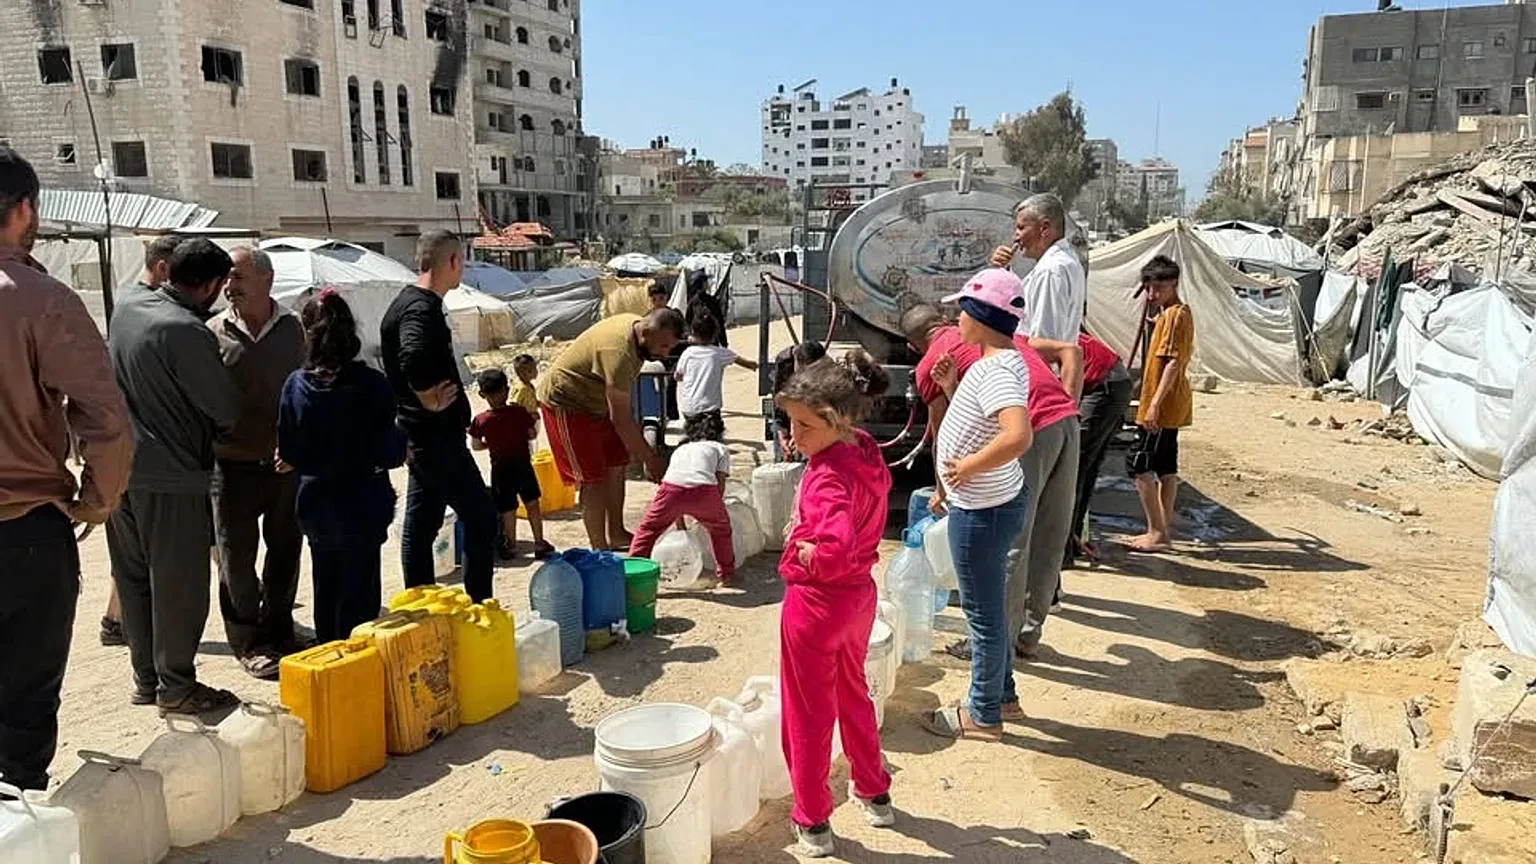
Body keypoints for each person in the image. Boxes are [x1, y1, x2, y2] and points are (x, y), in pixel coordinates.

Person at [0, 146, 133, 791]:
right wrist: (97, 500)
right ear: (25, 210)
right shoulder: (40, 299)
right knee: (22, 709)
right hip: (24, 532)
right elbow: (105, 419)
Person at [107, 237, 241, 716]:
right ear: (210, 285)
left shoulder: (127, 306)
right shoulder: (185, 331)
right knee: (178, 587)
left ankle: (147, 680)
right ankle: (178, 687)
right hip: (172, 476)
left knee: (135, 580)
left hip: (120, 470)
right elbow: (224, 409)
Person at [903, 300, 1081, 660]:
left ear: (912, 345)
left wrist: (943, 489)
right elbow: (1071, 351)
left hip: (1027, 430)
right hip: (1066, 421)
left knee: (1010, 540)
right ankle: (1027, 634)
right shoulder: (996, 336)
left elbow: (943, 432)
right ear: (943, 320)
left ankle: (993, 644)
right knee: (1050, 534)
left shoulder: (931, 362)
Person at [775, 350, 895, 857]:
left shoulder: (824, 473)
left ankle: (813, 821)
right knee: (853, 692)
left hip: (817, 604)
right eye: (790, 422)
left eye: (805, 425)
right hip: (858, 599)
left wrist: (807, 551)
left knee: (807, 714)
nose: (794, 435)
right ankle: (874, 791)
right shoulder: (864, 448)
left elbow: (835, 545)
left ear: (838, 419)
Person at [914, 270, 1034, 742]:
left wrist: (967, 467)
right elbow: (981, 419)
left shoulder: (997, 369)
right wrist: (950, 389)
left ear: (981, 318)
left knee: (982, 617)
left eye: (962, 311)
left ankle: (983, 715)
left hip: (983, 511)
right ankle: (1003, 696)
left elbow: (1017, 435)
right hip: (990, 502)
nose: (955, 320)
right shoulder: (998, 361)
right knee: (990, 609)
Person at [279, 291, 408, 642]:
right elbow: (390, 453)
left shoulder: (295, 387)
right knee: (361, 599)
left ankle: (331, 657)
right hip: (364, 505)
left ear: (307, 333)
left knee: (327, 591)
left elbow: (289, 451)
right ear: (352, 331)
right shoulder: (373, 385)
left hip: (317, 506)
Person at [381, 230, 500, 602]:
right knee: (481, 518)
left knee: (423, 524)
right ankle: (479, 605)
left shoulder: (410, 302)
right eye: (461, 260)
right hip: (434, 437)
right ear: (452, 261)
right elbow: (412, 356)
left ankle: (419, 603)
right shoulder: (420, 308)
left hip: (425, 435)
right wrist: (428, 397)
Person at [208, 247, 307, 679]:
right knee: (236, 559)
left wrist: (299, 444)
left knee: (285, 551)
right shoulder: (213, 332)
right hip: (231, 466)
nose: (229, 286)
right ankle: (248, 642)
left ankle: (281, 630)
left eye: (238, 277)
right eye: (227, 279)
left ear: (267, 280)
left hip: (286, 465)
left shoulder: (294, 329)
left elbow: (310, 389)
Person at [537, 307, 685, 550]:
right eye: (663, 346)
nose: (665, 353)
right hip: (567, 402)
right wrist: (650, 459)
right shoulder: (619, 353)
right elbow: (622, 419)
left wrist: (644, 453)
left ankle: (616, 533)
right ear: (646, 332)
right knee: (593, 479)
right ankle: (599, 549)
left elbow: (622, 412)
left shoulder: (638, 331)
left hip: (598, 402)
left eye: (670, 347)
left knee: (617, 463)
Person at [100, 232, 186, 649]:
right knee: (149, 551)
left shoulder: (127, 306)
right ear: (164, 269)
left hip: (127, 451)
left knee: (131, 552)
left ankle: (116, 619)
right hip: (150, 454)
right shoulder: (148, 310)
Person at [1127, 255, 1195, 553]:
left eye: (1159, 288)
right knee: (1166, 465)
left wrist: (1154, 403)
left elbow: (1172, 363)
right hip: (1171, 403)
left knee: (1139, 463)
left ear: (1174, 285)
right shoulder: (1173, 315)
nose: (1152, 294)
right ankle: (1162, 527)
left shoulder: (1175, 316)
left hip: (1162, 405)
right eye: (1149, 288)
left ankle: (1156, 531)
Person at [627, 412, 735, 584]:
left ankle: (633, 572)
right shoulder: (720, 449)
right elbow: (719, 484)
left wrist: (680, 523)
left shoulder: (681, 449)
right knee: (721, 531)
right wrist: (714, 512)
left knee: (648, 530)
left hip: (671, 489)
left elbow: (677, 483)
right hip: (704, 490)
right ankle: (726, 574)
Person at [469, 368, 554, 560]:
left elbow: (476, 446)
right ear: (507, 390)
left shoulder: (481, 420)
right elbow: (532, 434)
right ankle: (539, 542)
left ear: (482, 394)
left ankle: (511, 545)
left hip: (500, 469)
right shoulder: (519, 413)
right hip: (522, 464)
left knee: (508, 508)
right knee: (532, 503)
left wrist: (491, 443)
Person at [1066, 331, 1134, 566]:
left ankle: (1065, 547)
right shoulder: (1055, 332)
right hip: (1113, 382)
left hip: (1104, 385)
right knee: (1085, 467)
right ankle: (1072, 540)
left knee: (1072, 467)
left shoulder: (1035, 339)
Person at [989, 193, 1087, 343]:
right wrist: (1004, 271)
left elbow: (1044, 340)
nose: (1016, 237)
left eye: (1021, 228)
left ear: (1044, 228)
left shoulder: (1050, 270)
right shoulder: (1067, 260)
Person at [674, 312, 758, 427]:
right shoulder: (719, 353)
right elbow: (743, 362)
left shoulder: (687, 353)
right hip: (710, 409)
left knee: (692, 432)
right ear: (715, 334)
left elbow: (678, 376)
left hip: (689, 408)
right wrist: (755, 365)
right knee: (713, 433)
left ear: (693, 333)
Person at [769, 341, 826, 461]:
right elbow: (779, 401)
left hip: (810, 415)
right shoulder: (784, 362)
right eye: (801, 370)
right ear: (795, 361)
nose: (804, 375)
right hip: (789, 411)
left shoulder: (824, 367)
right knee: (783, 455)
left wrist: (800, 433)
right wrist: (782, 434)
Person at [685, 268, 728, 347]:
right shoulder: (694, 303)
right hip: (699, 342)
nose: (707, 284)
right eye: (705, 282)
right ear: (701, 284)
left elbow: (719, 323)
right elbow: (688, 322)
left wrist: (723, 342)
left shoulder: (711, 301)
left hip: (710, 341)